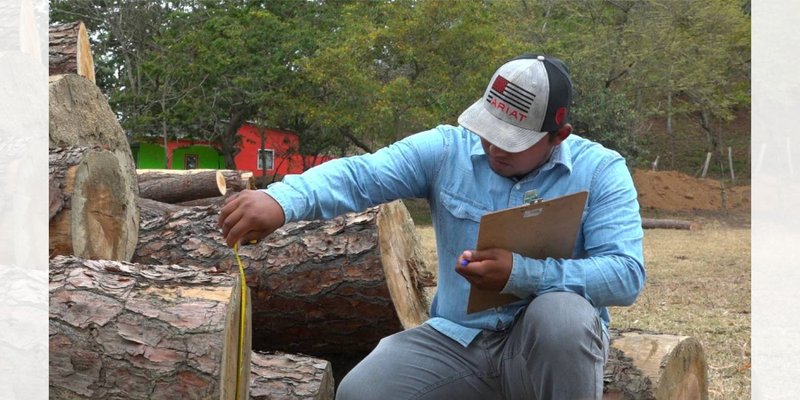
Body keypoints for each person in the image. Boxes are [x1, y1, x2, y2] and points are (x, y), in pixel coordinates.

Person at [219, 54, 645, 400]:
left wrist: (523, 273)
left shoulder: (600, 170)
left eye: (512, 141)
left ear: (558, 136)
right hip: (459, 342)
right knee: (363, 391)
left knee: (563, 314)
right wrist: (281, 200)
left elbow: (626, 275)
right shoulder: (446, 150)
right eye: (487, 131)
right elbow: (361, 175)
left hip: (544, 353)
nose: (494, 147)